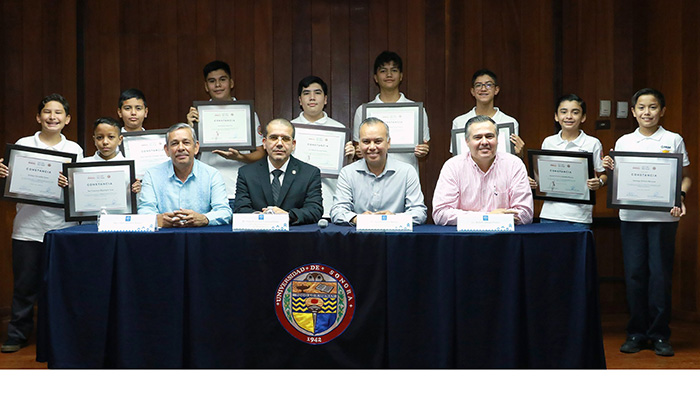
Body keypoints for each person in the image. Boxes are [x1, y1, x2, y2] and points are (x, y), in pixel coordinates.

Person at [602, 88, 692, 357]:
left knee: (660, 276)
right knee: (635, 275)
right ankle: (636, 333)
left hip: (664, 217)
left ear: (662, 111)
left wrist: (681, 195)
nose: (647, 112)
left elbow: (685, 177)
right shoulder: (625, 141)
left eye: (653, 107)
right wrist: (610, 167)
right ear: (633, 111)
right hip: (631, 216)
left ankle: (660, 335)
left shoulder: (673, 139)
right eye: (641, 107)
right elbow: (618, 179)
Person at [0, 94, 83, 353]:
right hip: (27, 228)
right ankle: (17, 334)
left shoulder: (75, 150)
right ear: (38, 117)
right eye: (47, 112)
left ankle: (59, 333)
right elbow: (9, 187)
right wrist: (4, 174)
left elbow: (80, 191)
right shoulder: (23, 145)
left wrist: (70, 184)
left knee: (61, 286)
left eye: (58, 113)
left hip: (62, 229)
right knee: (24, 286)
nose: (52, 117)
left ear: (67, 119)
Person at [186, 60, 265, 206]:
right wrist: (190, 128)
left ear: (231, 83)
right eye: (212, 81)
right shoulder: (197, 115)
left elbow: (261, 153)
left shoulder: (247, 113)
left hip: (240, 190)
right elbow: (185, 156)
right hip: (206, 191)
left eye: (222, 80)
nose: (217, 85)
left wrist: (240, 157)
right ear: (206, 86)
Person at [432, 115, 533, 225]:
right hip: (465, 238)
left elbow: (525, 213)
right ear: (467, 141)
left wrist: (480, 218)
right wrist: (487, 217)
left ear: (497, 139)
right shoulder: (452, 166)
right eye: (478, 137)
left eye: (489, 136)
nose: (484, 142)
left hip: (504, 237)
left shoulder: (514, 164)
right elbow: (440, 214)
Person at [331, 117, 426, 225]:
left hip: (396, 238)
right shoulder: (347, 173)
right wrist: (357, 219)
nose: (372, 147)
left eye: (378, 141)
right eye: (366, 141)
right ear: (359, 144)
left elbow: (419, 212)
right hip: (358, 238)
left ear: (388, 143)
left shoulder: (407, 171)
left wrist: (394, 218)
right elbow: (337, 211)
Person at [528, 94, 606, 227]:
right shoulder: (548, 142)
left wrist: (599, 182)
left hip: (580, 216)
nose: (569, 116)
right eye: (563, 112)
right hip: (550, 213)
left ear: (583, 117)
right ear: (556, 116)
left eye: (575, 112)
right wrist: (534, 182)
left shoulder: (592, 143)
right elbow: (542, 175)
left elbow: (604, 174)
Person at [138, 123, 232, 227]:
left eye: (186, 142)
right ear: (167, 150)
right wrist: (157, 220)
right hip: (164, 237)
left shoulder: (212, 174)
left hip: (201, 237)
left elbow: (224, 211)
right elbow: (145, 210)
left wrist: (204, 218)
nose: (181, 148)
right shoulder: (152, 175)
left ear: (196, 147)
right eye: (174, 143)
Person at [352, 51, 430, 174]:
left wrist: (423, 151)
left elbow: (424, 146)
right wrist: (358, 151)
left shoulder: (416, 111)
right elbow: (358, 148)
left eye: (394, 70)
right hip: (371, 177)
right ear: (376, 78)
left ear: (401, 76)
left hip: (406, 176)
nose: (389, 74)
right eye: (383, 71)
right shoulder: (363, 111)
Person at [234, 119, 323, 225]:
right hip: (257, 236)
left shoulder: (310, 173)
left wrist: (287, 216)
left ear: (293, 144)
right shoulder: (246, 173)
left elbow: (315, 210)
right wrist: (264, 217)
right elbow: (240, 208)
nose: (279, 144)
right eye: (273, 138)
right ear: (264, 143)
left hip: (295, 237)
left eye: (285, 139)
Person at [291, 76, 355, 218]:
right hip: (296, 208)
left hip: (330, 204)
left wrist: (349, 160)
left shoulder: (338, 130)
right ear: (300, 100)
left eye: (317, 93)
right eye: (306, 93)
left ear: (325, 99)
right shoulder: (288, 129)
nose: (312, 98)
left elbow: (346, 174)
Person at [58, 117, 141, 193]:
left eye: (111, 137)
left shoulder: (130, 167)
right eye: (100, 137)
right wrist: (66, 184)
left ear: (120, 140)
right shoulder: (82, 165)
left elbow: (134, 200)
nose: (105, 142)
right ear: (94, 139)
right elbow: (75, 195)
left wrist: (137, 190)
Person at [451, 69, 524, 156]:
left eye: (488, 85)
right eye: (478, 85)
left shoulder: (510, 122)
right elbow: (456, 157)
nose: (483, 89)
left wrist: (520, 153)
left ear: (496, 90)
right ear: (472, 91)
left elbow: (513, 157)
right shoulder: (459, 122)